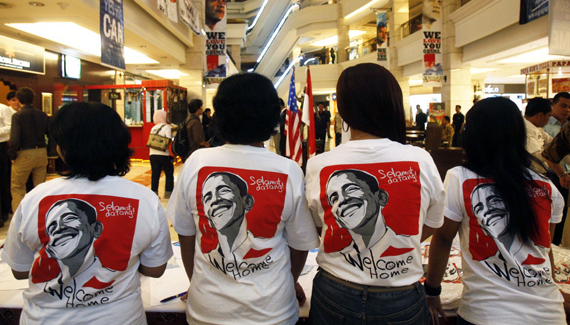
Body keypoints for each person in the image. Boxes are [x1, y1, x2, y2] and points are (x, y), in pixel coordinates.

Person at [167, 73, 319, 325]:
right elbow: (299, 244)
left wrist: (198, 285)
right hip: (272, 311)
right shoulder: (287, 169)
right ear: (272, 116)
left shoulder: (197, 162)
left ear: (219, 115)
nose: (216, 202)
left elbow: (186, 236)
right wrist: (288, 282)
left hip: (208, 311)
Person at [1, 102, 173, 324]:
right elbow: (155, 268)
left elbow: (20, 269)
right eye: (53, 225)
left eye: (69, 220)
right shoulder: (144, 199)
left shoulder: (35, 198)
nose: (59, 229)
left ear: (62, 150)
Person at [305, 63, 445, 324]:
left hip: (340, 292)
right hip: (393, 293)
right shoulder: (420, 159)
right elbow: (428, 225)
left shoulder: (319, 164)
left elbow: (318, 226)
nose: (342, 201)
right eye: (335, 197)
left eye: (351, 190)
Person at [426, 97, 565, 325]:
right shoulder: (545, 185)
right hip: (549, 312)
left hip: (487, 313)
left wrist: (432, 291)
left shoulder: (460, 178)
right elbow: (544, 245)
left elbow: (442, 238)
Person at [8, 87, 49, 212]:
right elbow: (50, 134)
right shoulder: (42, 115)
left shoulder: (17, 116)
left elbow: (15, 138)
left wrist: (12, 155)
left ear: (19, 100)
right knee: (40, 188)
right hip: (41, 152)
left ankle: (20, 218)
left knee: (18, 187)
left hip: (24, 153)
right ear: (33, 99)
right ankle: (40, 214)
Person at [543, 92, 570, 245]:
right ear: (554, 104)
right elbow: (548, 154)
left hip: (566, 176)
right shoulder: (544, 123)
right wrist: (562, 174)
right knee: (555, 215)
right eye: (563, 105)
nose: (567, 110)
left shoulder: (567, 125)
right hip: (552, 176)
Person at [0, 91, 19, 223]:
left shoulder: (3, 109)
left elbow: (10, 127)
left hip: (1, 146)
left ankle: (4, 212)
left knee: (3, 179)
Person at [149, 109, 174, 198]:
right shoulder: (166, 127)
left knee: (155, 174)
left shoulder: (153, 128)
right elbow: (168, 139)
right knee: (169, 173)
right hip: (164, 154)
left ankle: (154, 193)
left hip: (152, 154)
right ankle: (168, 193)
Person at [523, 97, 552, 173]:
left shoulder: (537, 128)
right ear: (540, 115)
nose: (549, 120)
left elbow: (552, 142)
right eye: (549, 116)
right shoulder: (525, 130)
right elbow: (537, 155)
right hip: (532, 175)